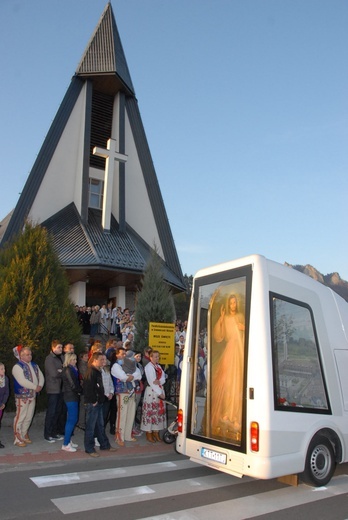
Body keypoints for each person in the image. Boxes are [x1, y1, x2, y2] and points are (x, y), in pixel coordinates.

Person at [212, 293, 245, 440]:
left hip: (239, 351)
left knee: (237, 383)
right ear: (228, 304)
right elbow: (219, 336)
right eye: (231, 303)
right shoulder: (225, 318)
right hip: (230, 351)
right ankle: (226, 412)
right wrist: (221, 318)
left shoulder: (241, 317)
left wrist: (243, 327)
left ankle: (235, 415)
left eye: (235, 303)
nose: (233, 305)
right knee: (228, 382)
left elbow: (247, 332)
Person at [83, 351, 117, 457]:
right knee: (90, 427)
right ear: (95, 360)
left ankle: (104, 445)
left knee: (100, 425)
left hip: (99, 402)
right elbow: (88, 389)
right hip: (93, 404)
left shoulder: (99, 371)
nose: (104, 361)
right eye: (101, 359)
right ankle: (89, 448)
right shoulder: (91, 372)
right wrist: (94, 401)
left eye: (104, 359)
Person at [12, 346, 44, 447]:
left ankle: (24, 433)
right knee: (20, 417)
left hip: (32, 395)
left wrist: (40, 385)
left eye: (30, 354)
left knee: (29, 416)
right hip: (22, 396)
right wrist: (35, 386)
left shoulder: (34, 365)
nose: (30, 356)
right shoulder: (17, 366)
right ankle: (17, 437)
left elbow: (41, 376)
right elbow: (22, 381)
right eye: (27, 354)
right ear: (21, 356)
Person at [111, 346, 141, 446]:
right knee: (122, 415)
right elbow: (123, 377)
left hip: (131, 391)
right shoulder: (116, 366)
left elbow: (139, 374)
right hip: (122, 393)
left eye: (125, 354)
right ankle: (119, 436)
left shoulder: (129, 364)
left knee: (131, 413)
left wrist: (130, 377)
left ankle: (128, 435)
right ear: (117, 355)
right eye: (122, 354)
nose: (124, 356)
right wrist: (131, 377)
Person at [141, 350, 167, 443]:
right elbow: (152, 381)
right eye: (155, 357)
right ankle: (149, 432)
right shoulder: (149, 367)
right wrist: (160, 393)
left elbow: (163, 377)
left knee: (157, 413)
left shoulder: (158, 366)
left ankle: (156, 432)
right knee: (151, 412)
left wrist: (160, 381)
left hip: (159, 389)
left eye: (158, 356)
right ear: (151, 357)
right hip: (152, 392)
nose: (157, 358)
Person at [44, 339, 65, 442]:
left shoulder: (61, 357)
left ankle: (54, 432)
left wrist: (62, 371)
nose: (61, 349)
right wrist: (62, 371)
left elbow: (65, 369)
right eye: (58, 347)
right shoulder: (49, 359)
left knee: (58, 411)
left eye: (61, 347)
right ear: (53, 348)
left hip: (61, 388)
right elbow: (54, 374)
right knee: (51, 412)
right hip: (53, 389)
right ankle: (47, 434)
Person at [62, 352, 82, 452]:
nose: (75, 361)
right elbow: (73, 385)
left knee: (72, 419)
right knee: (72, 419)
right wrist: (81, 391)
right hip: (71, 396)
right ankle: (65, 443)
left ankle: (68, 440)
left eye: (75, 359)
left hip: (72, 396)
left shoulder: (72, 369)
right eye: (73, 359)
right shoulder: (68, 370)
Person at [0, 362, 10, 448]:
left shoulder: (5, 379)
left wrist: (3, 403)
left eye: (4, 368)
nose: (4, 370)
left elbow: (7, 392)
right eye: (2, 369)